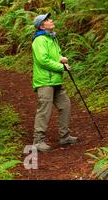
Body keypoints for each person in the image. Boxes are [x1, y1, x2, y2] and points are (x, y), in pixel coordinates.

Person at [31, 13, 79, 152]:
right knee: (44, 110)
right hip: (45, 81)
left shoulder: (51, 38)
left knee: (65, 105)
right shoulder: (39, 40)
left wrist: (61, 58)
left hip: (56, 79)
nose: (51, 20)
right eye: (47, 20)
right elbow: (43, 60)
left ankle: (64, 136)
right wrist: (61, 66)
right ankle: (38, 141)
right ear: (41, 26)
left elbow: (53, 56)